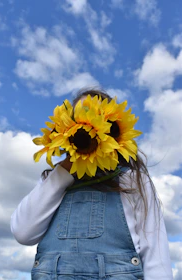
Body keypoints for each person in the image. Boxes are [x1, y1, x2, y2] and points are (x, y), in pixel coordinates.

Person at [10, 89, 173, 280]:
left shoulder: (133, 180)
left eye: (97, 119)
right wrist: (65, 169)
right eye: (78, 119)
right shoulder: (53, 181)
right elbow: (23, 233)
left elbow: (156, 259)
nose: (89, 128)